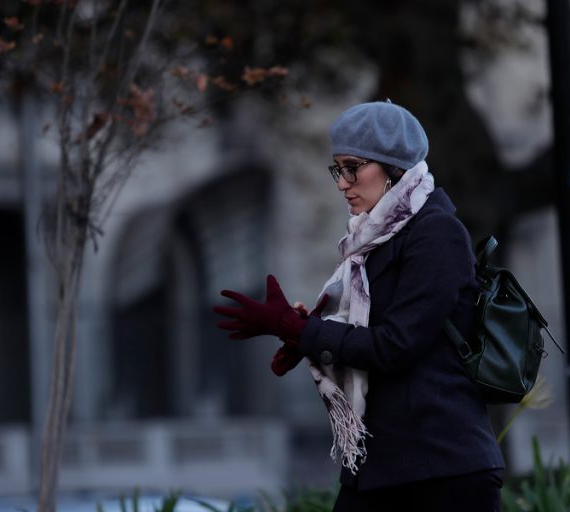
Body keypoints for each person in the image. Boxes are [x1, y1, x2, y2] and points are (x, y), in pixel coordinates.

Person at [213, 101, 505, 511]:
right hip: (382, 464)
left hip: (442, 467)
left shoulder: (437, 233)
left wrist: (300, 330)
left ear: (394, 168)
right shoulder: (373, 239)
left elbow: (394, 345)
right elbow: (368, 333)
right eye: (338, 169)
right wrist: (301, 331)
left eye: (352, 168)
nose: (342, 183)